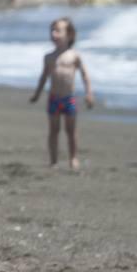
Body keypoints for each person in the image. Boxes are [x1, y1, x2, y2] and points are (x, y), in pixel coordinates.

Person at [29, 17, 94, 170]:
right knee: (53, 131)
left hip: (69, 99)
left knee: (71, 131)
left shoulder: (74, 55)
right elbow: (43, 77)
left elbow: (85, 74)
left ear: (69, 35)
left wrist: (89, 93)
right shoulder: (48, 57)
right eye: (52, 30)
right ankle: (53, 160)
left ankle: (73, 158)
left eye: (58, 30)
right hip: (54, 99)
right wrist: (37, 94)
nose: (53, 34)